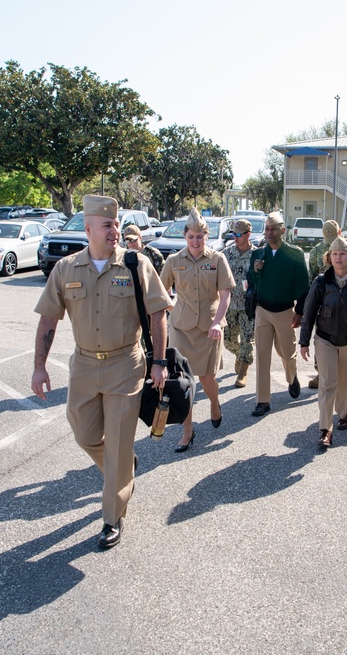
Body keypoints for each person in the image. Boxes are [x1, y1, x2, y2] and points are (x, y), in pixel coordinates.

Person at [31, 194, 172, 549]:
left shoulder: (136, 265)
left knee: (118, 443)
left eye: (117, 224)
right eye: (108, 225)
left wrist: (159, 361)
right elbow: (49, 318)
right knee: (85, 434)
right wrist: (39, 366)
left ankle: (112, 517)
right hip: (83, 365)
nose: (115, 230)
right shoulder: (66, 269)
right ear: (89, 228)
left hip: (126, 364)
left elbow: (158, 313)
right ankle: (124, 465)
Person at [158, 210, 235, 451]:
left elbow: (225, 296)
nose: (195, 241)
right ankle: (187, 430)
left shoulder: (217, 259)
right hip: (181, 329)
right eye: (191, 236)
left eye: (200, 237)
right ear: (185, 236)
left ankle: (214, 403)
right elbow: (161, 293)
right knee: (183, 382)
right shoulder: (173, 261)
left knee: (207, 378)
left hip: (209, 328)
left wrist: (217, 322)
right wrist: (174, 309)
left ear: (206, 236)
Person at [298, 237, 347, 448]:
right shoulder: (321, 282)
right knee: (327, 383)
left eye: (343, 254)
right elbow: (309, 313)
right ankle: (325, 429)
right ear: (329, 258)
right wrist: (304, 342)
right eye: (334, 254)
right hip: (325, 340)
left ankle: (343, 413)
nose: (338, 257)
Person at [247, 212, 310, 417]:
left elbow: (303, 286)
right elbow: (249, 280)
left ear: (283, 230)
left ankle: (292, 378)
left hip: (284, 311)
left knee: (286, 353)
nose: (269, 232)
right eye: (266, 228)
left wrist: (299, 312)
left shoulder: (295, 254)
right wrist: (255, 271)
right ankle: (263, 401)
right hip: (262, 311)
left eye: (273, 228)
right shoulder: (258, 255)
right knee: (262, 356)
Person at [306, 219, 347, 389]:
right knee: (323, 334)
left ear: (340, 233)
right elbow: (311, 278)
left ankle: (343, 373)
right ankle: (322, 372)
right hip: (325, 300)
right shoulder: (315, 252)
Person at [220, 218, 255, 388]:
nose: (235, 237)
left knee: (247, 339)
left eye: (239, 234)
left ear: (248, 235)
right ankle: (239, 356)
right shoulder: (227, 253)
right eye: (233, 233)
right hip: (230, 304)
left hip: (249, 306)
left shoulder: (257, 254)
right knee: (228, 341)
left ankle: (243, 372)